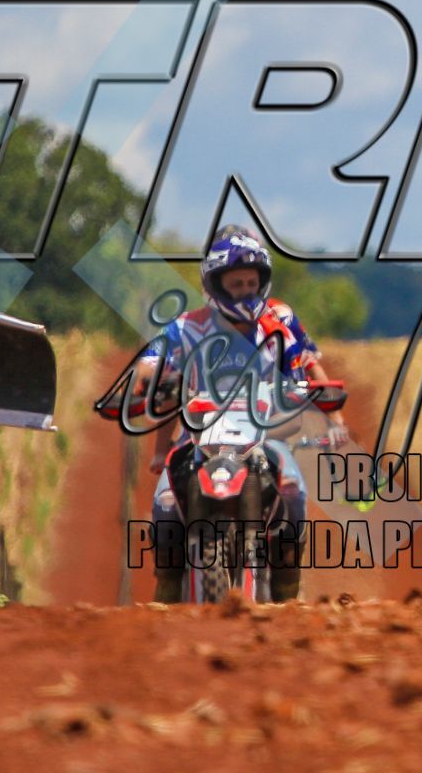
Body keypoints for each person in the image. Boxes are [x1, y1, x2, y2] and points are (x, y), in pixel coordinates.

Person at [130, 225, 345, 601]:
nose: (246, 291)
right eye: (236, 284)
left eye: (251, 283)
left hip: (266, 433)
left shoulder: (277, 327)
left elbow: (306, 369)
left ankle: (287, 591)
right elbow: (151, 359)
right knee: (164, 503)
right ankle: (166, 588)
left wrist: (330, 414)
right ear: (215, 284)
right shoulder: (186, 327)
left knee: (294, 492)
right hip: (198, 435)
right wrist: (149, 377)